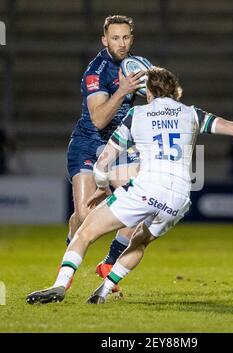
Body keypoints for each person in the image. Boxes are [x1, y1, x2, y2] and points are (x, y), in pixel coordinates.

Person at [26, 66, 233, 305]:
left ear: (148, 93)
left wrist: (101, 186)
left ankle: (60, 285)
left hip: (146, 188)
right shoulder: (192, 114)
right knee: (139, 241)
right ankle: (103, 291)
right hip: (180, 197)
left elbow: (103, 163)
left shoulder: (136, 115)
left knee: (85, 232)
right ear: (176, 92)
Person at [66, 15, 151, 291]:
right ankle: (72, 244)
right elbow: (99, 119)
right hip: (89, 142)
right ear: (105, 40)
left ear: (132, 39)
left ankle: (109, 263)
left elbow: (158, 98)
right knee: (84, 215)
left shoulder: (138, 67)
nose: (121, 43)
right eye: (115, 38)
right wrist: (123, 90)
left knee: (140, 206)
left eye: (126, 37)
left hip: (120, 146)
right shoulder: (96, 71)